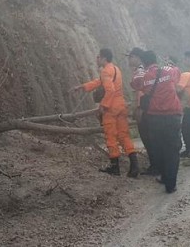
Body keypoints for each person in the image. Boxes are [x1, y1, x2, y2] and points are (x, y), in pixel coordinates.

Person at [73, 48, 140, 178]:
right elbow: (99, 82)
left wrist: (103, 106)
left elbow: (110, 90)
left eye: (98, 57)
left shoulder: (105, 71)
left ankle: (114, 167)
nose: (96, 59)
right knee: (124, 135)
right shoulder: (115, 69)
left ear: (103, 58)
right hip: (121, 105)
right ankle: (134, 165)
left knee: (110, 136)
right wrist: (82, 86)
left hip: (111, 108)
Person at [131, 50, 182, 193]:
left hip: (154, 118)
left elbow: (135, 84)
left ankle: (164, 176)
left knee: (159, 148)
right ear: (155, 60)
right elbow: (176, 71)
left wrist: (140, 69)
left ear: (144, 63)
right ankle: (170, 184)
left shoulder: (144, 76)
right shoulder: (167, 71)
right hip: (173, 115)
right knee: (172, 150)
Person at [126, 47, 158, 176]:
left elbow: (140, 90)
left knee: (148, 138)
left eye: (130, 57)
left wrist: (139, 108)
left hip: (144, 109)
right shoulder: (144, 70)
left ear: (137, 57)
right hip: (148, 107)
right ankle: (156, 165)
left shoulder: (140, 71)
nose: (129, 60)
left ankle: (155, 166)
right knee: (151, 138)